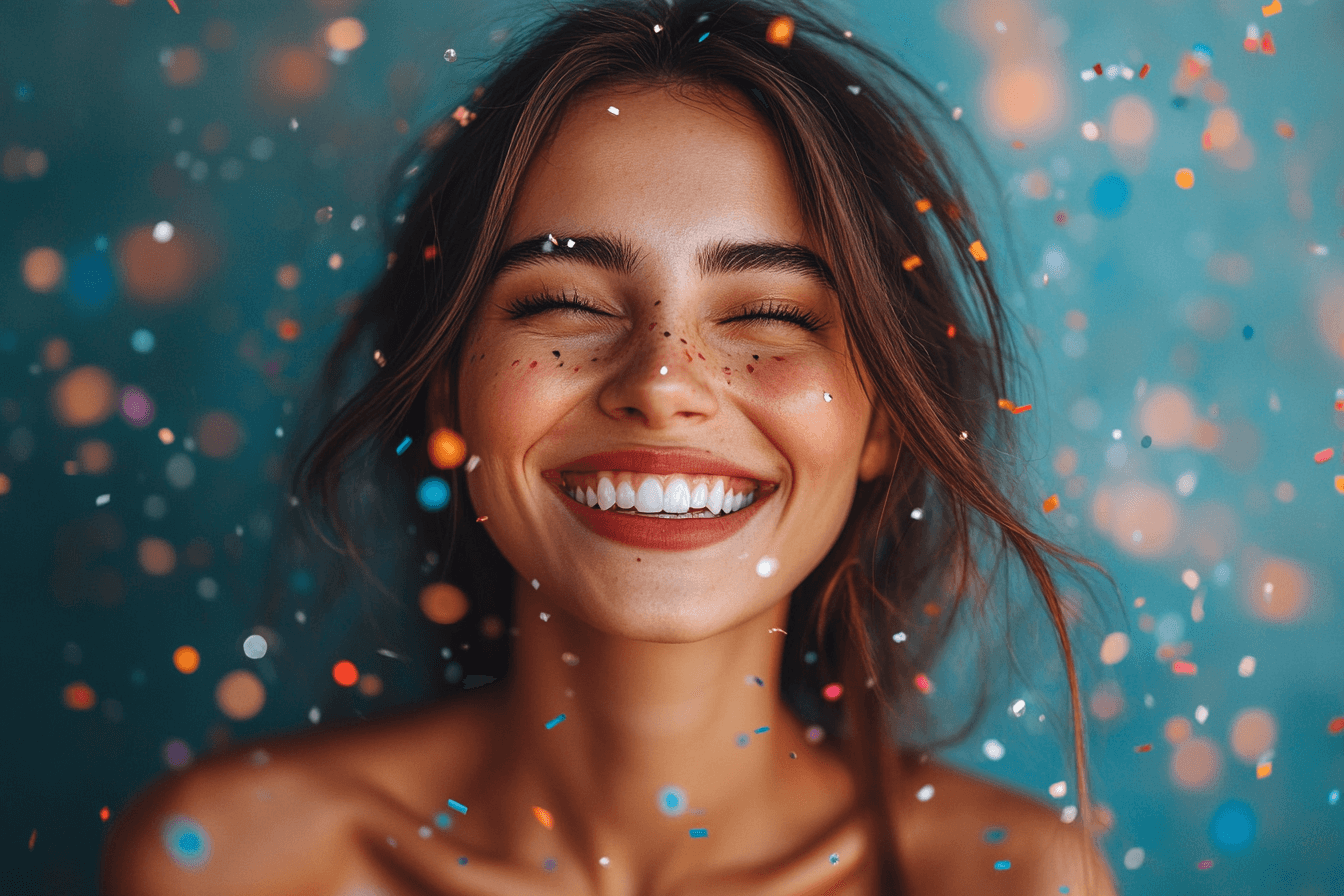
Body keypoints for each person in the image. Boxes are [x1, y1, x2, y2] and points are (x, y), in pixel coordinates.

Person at [101, 0, 1119, 892]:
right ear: (451, 384)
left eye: (768, 311)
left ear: (885, 419)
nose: (663, 383)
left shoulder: (1010, 880)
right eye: (565, 303)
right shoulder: (230, 866)